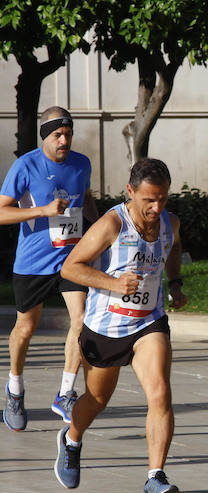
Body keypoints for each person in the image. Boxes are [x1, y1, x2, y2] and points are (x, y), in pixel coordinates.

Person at [54, 158, 187, 493]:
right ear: (131, 192)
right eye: (149, 200)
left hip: (148, 322)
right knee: (96, 400)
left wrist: (176, 283)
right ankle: (71, 439)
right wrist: (113, 283)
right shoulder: (112, 223)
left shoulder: (170, 222)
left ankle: (154, 478)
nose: (156, 207)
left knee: (160, 392)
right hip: (105, 328)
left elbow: (172, 251)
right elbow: (71, 267)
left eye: (162, 198)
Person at [0, 107, 99, 430]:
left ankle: (65, 392)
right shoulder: (26, 165)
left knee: (81, 320)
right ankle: (15, 388)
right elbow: (2, 212)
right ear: (46, 136)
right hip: (34, 261)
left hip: (71, 259)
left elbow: (86, 200)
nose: (64, 140)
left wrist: (99, 231)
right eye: (57, 134)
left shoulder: (81, 163)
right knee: (25, 329)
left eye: (68, 134)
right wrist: (41, 211)